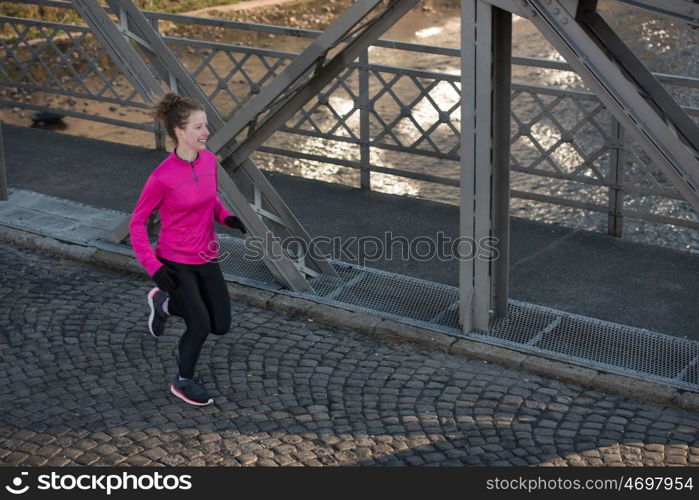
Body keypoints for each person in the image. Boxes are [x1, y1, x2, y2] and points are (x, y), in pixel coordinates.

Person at [129, 92, 247, 406]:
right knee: (200, 325)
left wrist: (226, 216)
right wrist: (154, 267)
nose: (206, 132)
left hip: (207, 255)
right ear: (180, 133)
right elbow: (137, 225)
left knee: (220, 325)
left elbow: (209, 199)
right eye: (199, 127)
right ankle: (183, 381)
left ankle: (165, 306)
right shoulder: (161, 178)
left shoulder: (208, 160)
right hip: (175, 261)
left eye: (205, 125)